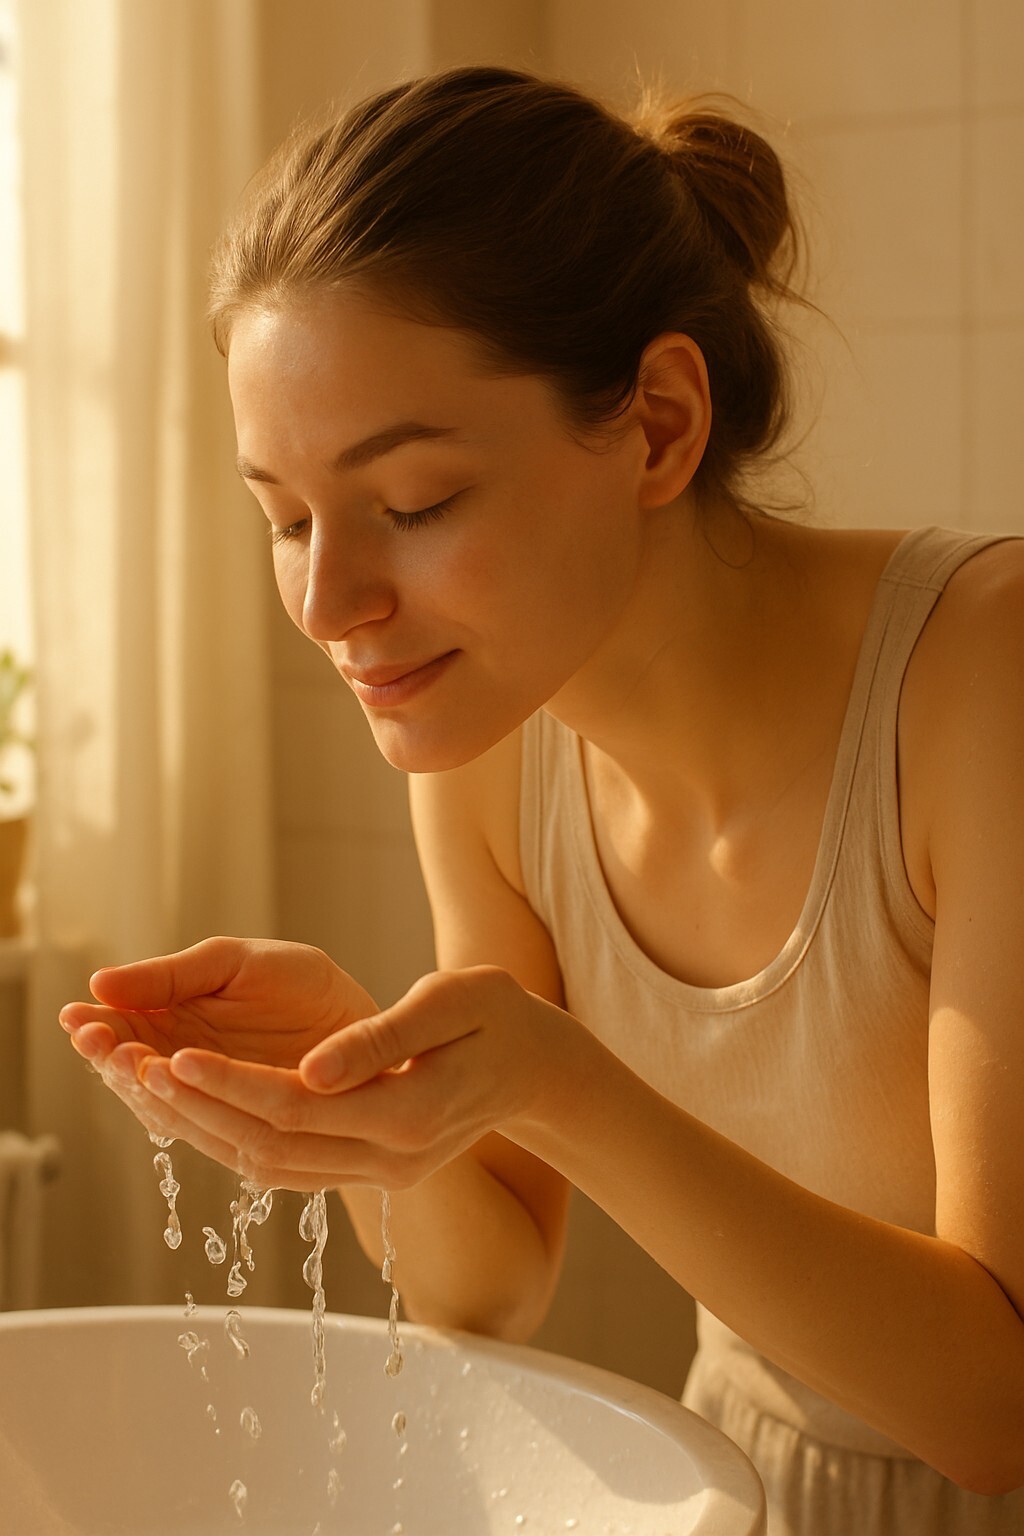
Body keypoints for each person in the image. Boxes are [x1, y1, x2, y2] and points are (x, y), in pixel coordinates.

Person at [58, 66, 1024, 1535]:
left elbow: (991, 1407)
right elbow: (487, 1285)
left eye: (418, 503)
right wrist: (360, 1087)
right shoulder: (491, 737)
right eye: (287, 518)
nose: (331, 602)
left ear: (657, 423)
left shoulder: (985, 682)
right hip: (747, 1488)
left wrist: (557, 1080)